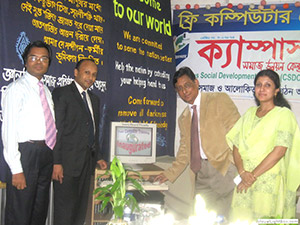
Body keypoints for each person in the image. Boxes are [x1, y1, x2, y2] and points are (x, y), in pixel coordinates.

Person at [155, 67, 240, 217]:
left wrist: (235, 166)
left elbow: (238, 133)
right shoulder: (184, 117)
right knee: (200, 217)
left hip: (223, 170)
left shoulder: (218, 100)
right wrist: (169, 174)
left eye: (187, 85)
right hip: (200, 174)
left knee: (225, 218)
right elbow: (184, 151)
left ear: (196, 82)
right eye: (179, 89)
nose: (184, 91)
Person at [226, 69, 300, 222]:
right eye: (258, 85)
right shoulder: (249, 113)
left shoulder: (284, 114)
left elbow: (280, 150)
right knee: (241, 219)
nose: (262, 89)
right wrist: (242, 172)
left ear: (276, 91)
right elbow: (236, 144)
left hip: (268, 179)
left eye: (268, 85)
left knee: (265, 218)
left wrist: (252, 176)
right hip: (244, 177)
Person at [2, 40, 55, 225]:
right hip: (26, 154)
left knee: (39, 211)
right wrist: (16, 170)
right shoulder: (16, 89)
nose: (39, 62)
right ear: (25, 62)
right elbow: (8, 132)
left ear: (48, 63)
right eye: (33, 57)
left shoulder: (46, 91)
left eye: (44, 58)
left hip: (45, 153)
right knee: (20, 213)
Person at [52, 58, 107, 225]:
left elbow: (92, 132)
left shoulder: (94, 99)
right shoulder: (62, 94)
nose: (90, 77)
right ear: (76, 73)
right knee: (64, 213)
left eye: (94, 75)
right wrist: (56, 162)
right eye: (87, 73)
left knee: (80, 211)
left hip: (86, 164)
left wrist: (97, 156)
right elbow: (55, 131)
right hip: (66, 165)